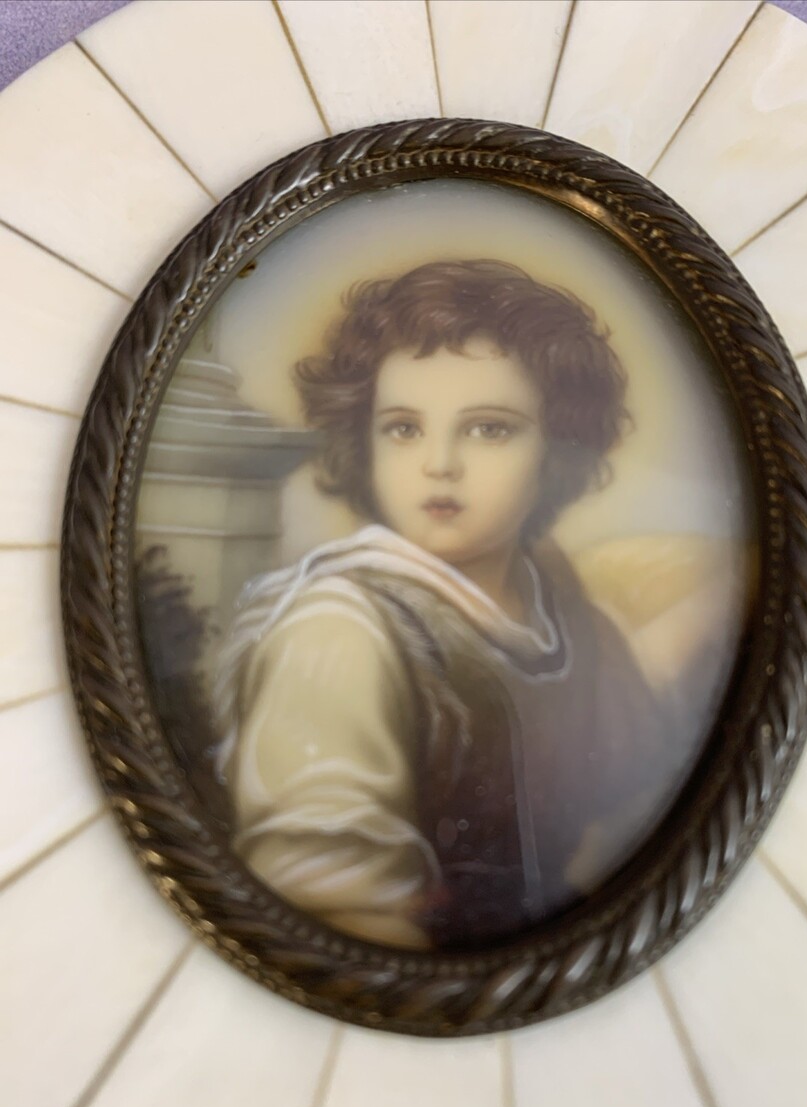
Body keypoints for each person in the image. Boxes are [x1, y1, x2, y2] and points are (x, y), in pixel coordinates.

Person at [214, 260, 680, 950]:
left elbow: (636, 793)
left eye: (489, 429)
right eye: (403, 428)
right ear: (363, 441)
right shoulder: (338, 630)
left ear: (558, 448)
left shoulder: (561, 610)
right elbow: (329, 903)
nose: (439, 464)